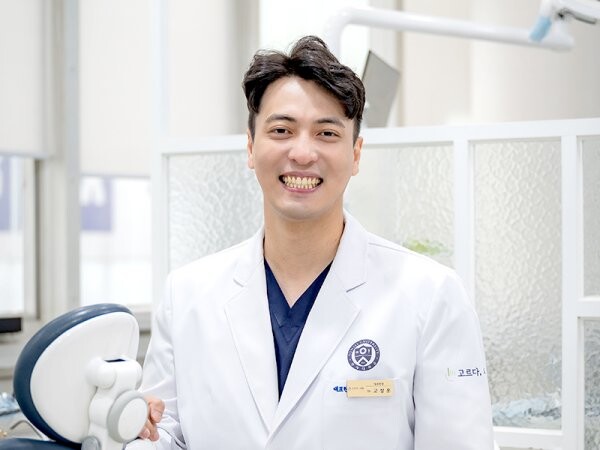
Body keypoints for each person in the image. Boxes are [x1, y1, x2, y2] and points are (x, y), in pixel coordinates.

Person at [130, 35, 494, 449]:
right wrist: (130, 429)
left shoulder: (430, 296)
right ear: (250, 147)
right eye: (281, 130)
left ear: (356, 154)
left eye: (326, 133)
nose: (302, 153)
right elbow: (162, 434)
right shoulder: (187, 296)